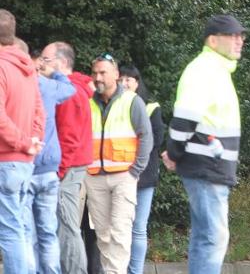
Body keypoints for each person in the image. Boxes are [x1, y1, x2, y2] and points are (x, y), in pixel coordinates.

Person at [162, 14, 245, 274]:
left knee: (204, 236)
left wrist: (175, 153)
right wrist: (174, 153)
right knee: (213, 237)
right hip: (207, 166)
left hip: (210, 166)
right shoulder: (204, 70)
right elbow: (184, 119)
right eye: (232, 35)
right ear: (212, 40)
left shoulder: (215, 70)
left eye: (241, 36)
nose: (239, 40)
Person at [83, 55, 152, 274]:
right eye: (95, 73)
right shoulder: (88, 102)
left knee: (120, 232)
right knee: (103, 234)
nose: (98, 77)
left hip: (124, 175)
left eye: (103, 72)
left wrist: (135, 170)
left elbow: (146, 136)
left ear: (116, 75)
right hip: (94, 176)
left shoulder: (132, 101)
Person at [39, 43, 93, 274]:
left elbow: (69, 137)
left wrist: (59, 171)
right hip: (72, 165)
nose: (41, 63)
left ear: (61, 63)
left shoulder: (68, 93)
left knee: (66, 226)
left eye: (46, 59)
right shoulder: (75, 87)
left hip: (67, 168)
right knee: (65, 224)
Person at [0, 12, 45, 274]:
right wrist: (33, 141)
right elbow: (40, 111)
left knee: (10, 232)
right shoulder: (27, 68)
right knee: (21, 228)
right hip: (25, 161)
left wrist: (23, 142)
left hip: (6, 160)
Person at [30, 49, 77, 274]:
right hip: (48, 168)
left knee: (27, 234)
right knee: (48, 232)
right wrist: (54, 71)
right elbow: (69, 88)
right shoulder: (48, 86)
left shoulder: (16, 85)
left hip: (24, 165)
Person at [117, 67, 163, 274]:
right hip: (118, 174)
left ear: (137, 82)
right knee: (118, 227)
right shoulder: (113, 106)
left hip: (144, 175)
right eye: (121, 79)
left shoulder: (151, 107)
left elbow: (157, 140)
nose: (125, 83)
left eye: (129, 79)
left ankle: (134, 271)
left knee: (138, 228)